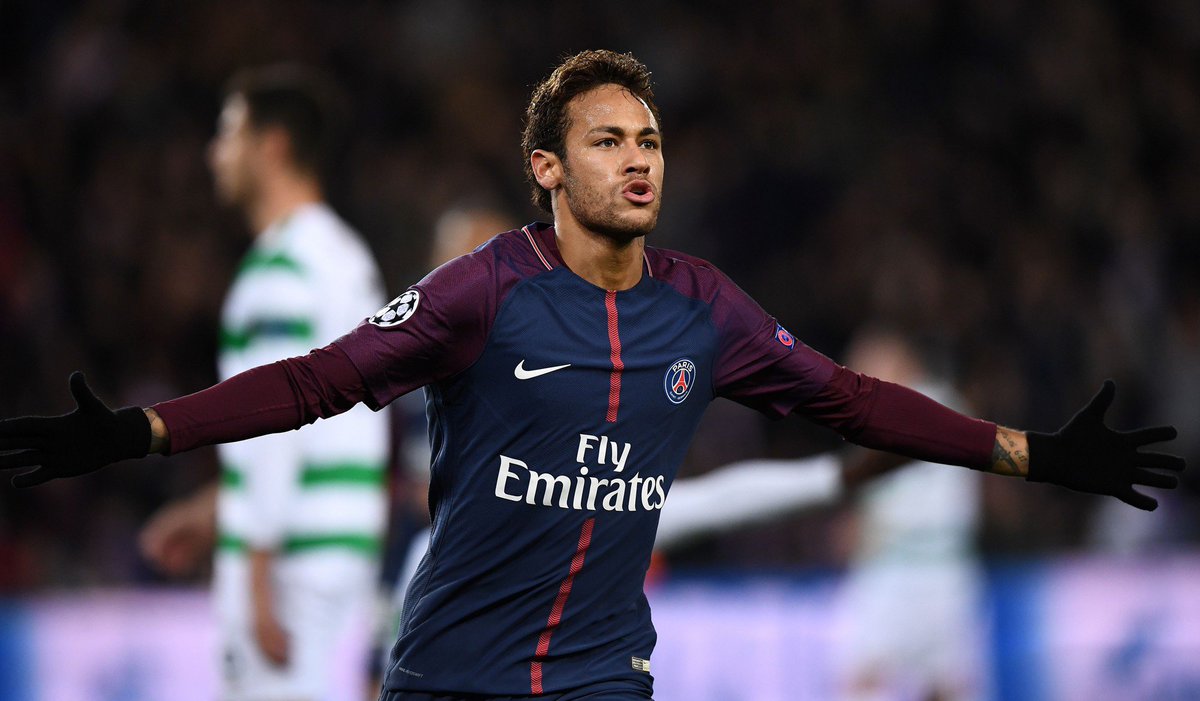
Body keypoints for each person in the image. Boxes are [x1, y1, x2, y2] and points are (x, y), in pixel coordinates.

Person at [0, 50, 1184, 701]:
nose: (637, 159)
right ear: (548, 169)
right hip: (450, 675)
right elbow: (317, 380)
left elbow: (853, 400)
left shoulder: (703, 306)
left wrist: (1031, 451)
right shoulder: (480, 292)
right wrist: (145, 431)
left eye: (650, 140)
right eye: (608, 140)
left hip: (603, 677)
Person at [137, 65, 389, 701]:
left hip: (287, 567)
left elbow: (275, 423)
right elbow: (330, 425)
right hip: (340, 546)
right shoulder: (346, 256)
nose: (214, 153)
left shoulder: (279, 268)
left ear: (272, 146)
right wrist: (215, 509)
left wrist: (255, 574)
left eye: (229, 133)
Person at [832, 327, 988, 701]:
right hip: (944, 570)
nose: (856, 378)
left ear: (902, 362)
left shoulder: (912, 409)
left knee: (863, 676)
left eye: (866, 367)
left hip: (903, 566)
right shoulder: (948, 405)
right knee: (941, 685)